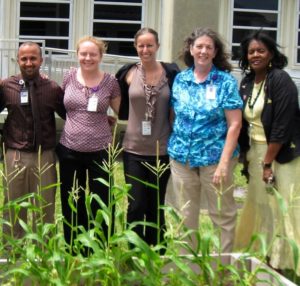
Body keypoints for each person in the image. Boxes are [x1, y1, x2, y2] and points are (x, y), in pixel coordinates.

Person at [167, 27, 243, 253]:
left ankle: (223, 271)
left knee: (222, 214)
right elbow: (174, 116)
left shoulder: (225, 82)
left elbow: (235, 124)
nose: (203, 51)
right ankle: (189, 270)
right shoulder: (181, 79)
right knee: (185, 214)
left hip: (215, 160)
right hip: (182, 158)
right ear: (190, 49)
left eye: (208, 47)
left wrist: (223, 163)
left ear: (215, 51)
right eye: (198, 46)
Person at [235, 30, 300, 274]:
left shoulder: (280, 80)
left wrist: (267, 164)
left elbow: (282, 126)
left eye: (261, 50)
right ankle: (264, 252)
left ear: (271, 53)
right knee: (261, 206)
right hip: (255, 153)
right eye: (251, 51)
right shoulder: (247, 82)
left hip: (279, 156)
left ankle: (282, 262)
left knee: (280, 207)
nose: (255, 55)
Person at [115, 27, 179, 248]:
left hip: (162, 150)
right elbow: (115, 101)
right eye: (141, 45)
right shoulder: (128, 73)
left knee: (156, 206)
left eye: (150, 45)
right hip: (133, 150)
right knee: (136, 204)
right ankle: (133, 252)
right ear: (136, 47)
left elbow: (176, 107)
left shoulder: (171, 73)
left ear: (157, 46)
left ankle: (156, 253)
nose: (145, 49)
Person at [55, 36, 121, 250]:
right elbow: (64, 106)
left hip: (100, 150)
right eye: (83, 53)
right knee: (72, 198)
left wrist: (109, 119)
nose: (87, 58)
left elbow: (123, 112)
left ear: (101, 56)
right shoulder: (68, 76)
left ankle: (101, 246)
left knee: (101, 199)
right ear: (77, 55)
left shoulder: (110, 81)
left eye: (93, 54)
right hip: (69, 148)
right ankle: (74, 245)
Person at [0, 41, 65, 240]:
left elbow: (70, 115)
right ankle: (11, 255)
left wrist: (100, 117)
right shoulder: (6, 86)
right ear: (18, 60)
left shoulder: (52, 88)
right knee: (13, 207)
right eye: (24, 59)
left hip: (44, 157)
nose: (29, 63)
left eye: (33, 58)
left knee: (44, 209)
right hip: (15, 156)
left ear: (41, 60)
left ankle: (43, 256)